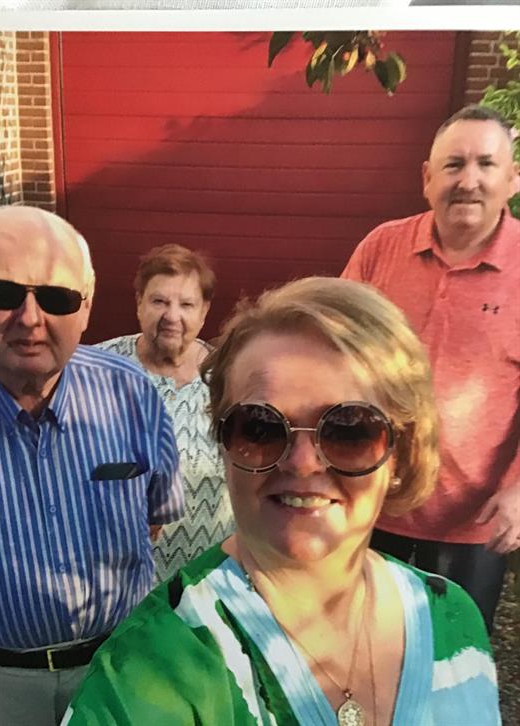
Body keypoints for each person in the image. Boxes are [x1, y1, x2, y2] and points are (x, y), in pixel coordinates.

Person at [63, 276, 500, 726]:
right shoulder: (153, 670)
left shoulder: (453, 619)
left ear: (401, 452)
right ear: (223, 445)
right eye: (260, 427)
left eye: (349, 429)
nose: (303, 463)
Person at [0, 205, 183, 726]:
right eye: (2, 292)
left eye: (57, 298)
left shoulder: (131, 393)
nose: (29, 318)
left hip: (122, 669)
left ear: (86, 308)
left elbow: (153, 521)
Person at [342, 104, 520, 633]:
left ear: (512, 179)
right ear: (427, 178)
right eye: (453, 164)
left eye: (486, 164)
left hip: (471, 525)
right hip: (371, 501)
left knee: (453, 656)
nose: (469, 181)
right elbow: (333, 349)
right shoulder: (382, 247)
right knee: (364, 644)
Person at [98, 243, 234, 582]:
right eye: (159, 301)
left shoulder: (229, 378)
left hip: (206, 579)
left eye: (186, 304)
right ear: (139, 302)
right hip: (115, 580)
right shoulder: (99, 370)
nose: (172, 316)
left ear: (204, 311)